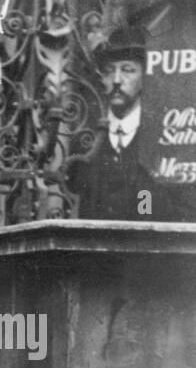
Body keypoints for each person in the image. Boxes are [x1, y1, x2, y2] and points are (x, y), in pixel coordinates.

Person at [68, 26, 175, 222]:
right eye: (109, 71)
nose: (117, 80)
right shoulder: (85, 138)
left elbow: (151, 205)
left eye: (128, 70)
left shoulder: (160, 134)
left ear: (145, 76)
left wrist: (145, 213)